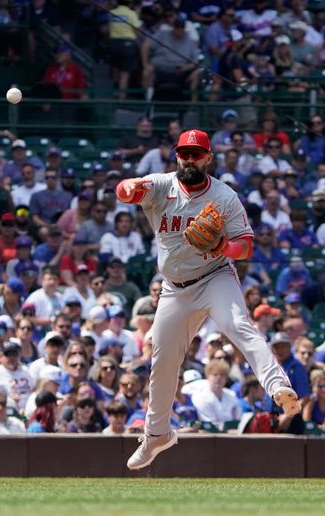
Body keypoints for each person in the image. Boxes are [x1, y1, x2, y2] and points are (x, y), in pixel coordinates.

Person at [117, 129, 298, 470]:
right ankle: (157, 435)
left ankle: (278, 389)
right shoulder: (161, 185)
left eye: (196, 153)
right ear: (176, 156)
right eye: (184, 153)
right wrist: (128, 188)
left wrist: (222, 247)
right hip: (174, 287)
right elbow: (128, 189)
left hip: (214, 276)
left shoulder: (224, 196)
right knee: (163, 360)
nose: (189, 158)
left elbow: (245, 246)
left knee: (239, 326)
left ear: (208, 158)